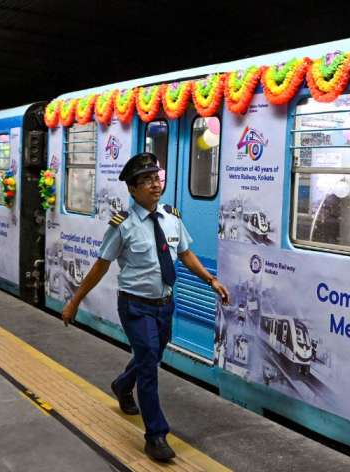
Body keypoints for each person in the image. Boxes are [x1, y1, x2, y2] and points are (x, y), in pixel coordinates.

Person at [61, 152, 229, 462]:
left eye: (156, 178)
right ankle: (156, 435)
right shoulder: (122, 226)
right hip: (135, 306)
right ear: (133, 189)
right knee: (150, 363)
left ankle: (123, 385)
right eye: (146, 181)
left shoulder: (171, 217)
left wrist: (211, 281)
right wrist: (74, 301)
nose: (154, 184)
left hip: (165, 305)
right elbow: (101, 266)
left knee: (148, 355)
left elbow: (186, 254)